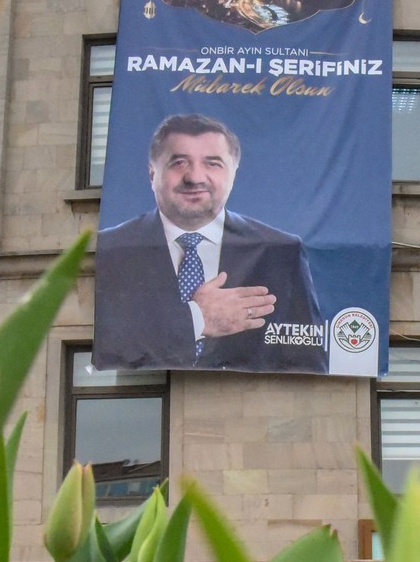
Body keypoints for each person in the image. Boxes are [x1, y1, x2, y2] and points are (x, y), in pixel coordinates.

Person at [95, 114, 327, 373]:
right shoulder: (112, 250)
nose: (195, 177)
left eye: (213, 163)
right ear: (152, 173)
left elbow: (309, 363)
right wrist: (197, 319)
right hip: (146, 403)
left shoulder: (282, 253)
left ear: (233, 173)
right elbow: (109, 345)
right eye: (179, 162)